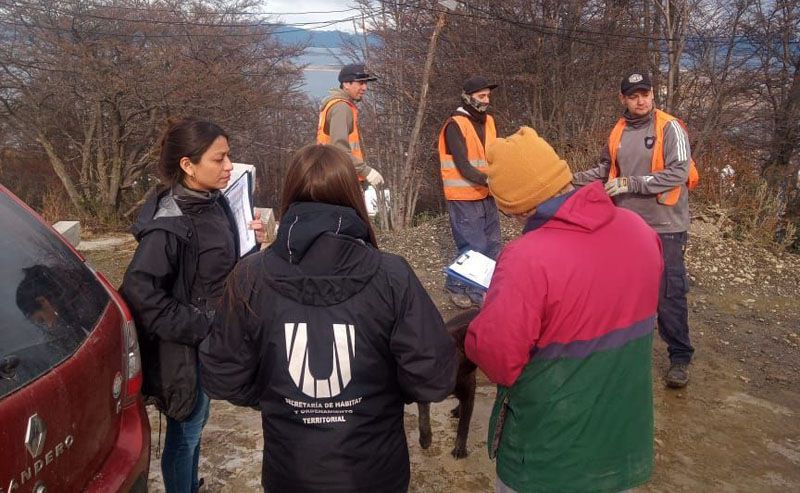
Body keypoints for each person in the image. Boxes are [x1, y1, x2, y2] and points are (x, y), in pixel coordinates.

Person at [200, 144, 457, 493]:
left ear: (291, 194)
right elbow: (432, 377)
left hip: (298, 473)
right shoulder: (391, 275)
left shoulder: (251, 276)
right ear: (352, 196)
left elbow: (223, 375)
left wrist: (279, 397)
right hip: (371, 473)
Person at [465, 127, 663, 493]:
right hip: (623, 445)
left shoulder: (526, 258)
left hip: (549, 458)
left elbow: (499, 359)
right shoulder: (640, 230)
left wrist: (486, 318)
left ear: (515, 201)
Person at [120, 118, 262, 493]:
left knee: (197, 424)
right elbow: (139, 291)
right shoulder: (169, 225)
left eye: (228, 156)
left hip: (208, 341)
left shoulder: (211, 202)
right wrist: (201, 325)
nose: (229, 166)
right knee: (184, 433)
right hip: (184, 350)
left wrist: (257, 242)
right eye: (219, 158)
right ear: (188, 165)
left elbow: (221, 265)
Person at [572, 70, 695, 388]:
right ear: (623, 99)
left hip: (665, 224)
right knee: (623, 290)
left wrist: (633, 183)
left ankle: (679, 358)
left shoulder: (670, 127)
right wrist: (568, 177)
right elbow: (606, 169)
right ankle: (619, 353)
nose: (641, 100)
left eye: (645, 93)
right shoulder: (618, 130)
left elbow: (679, 172)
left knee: (668, 293)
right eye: (634, 95)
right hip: (626, 224)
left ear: (653, 94)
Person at [437, 75, 502, 308]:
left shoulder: (489, 122)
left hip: (486, 192)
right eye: (481, 96)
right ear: (467, 97)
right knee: (473, 245)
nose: (486, 101)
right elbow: (463, 166)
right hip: (464, 195)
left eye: (487, 96)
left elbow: (496, 155)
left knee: (492, 243)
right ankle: (455, 285)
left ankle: (479, 288)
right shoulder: (455, 124)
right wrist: (490, 180)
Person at [317, 63, 385, 189]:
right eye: (360, 83)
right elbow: (339, 150)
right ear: (346, 84)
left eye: (366, 83)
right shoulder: (341, 108)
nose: (365, 88)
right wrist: (366, 171)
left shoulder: (335, 104)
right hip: (340, 180)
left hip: (331, 176)